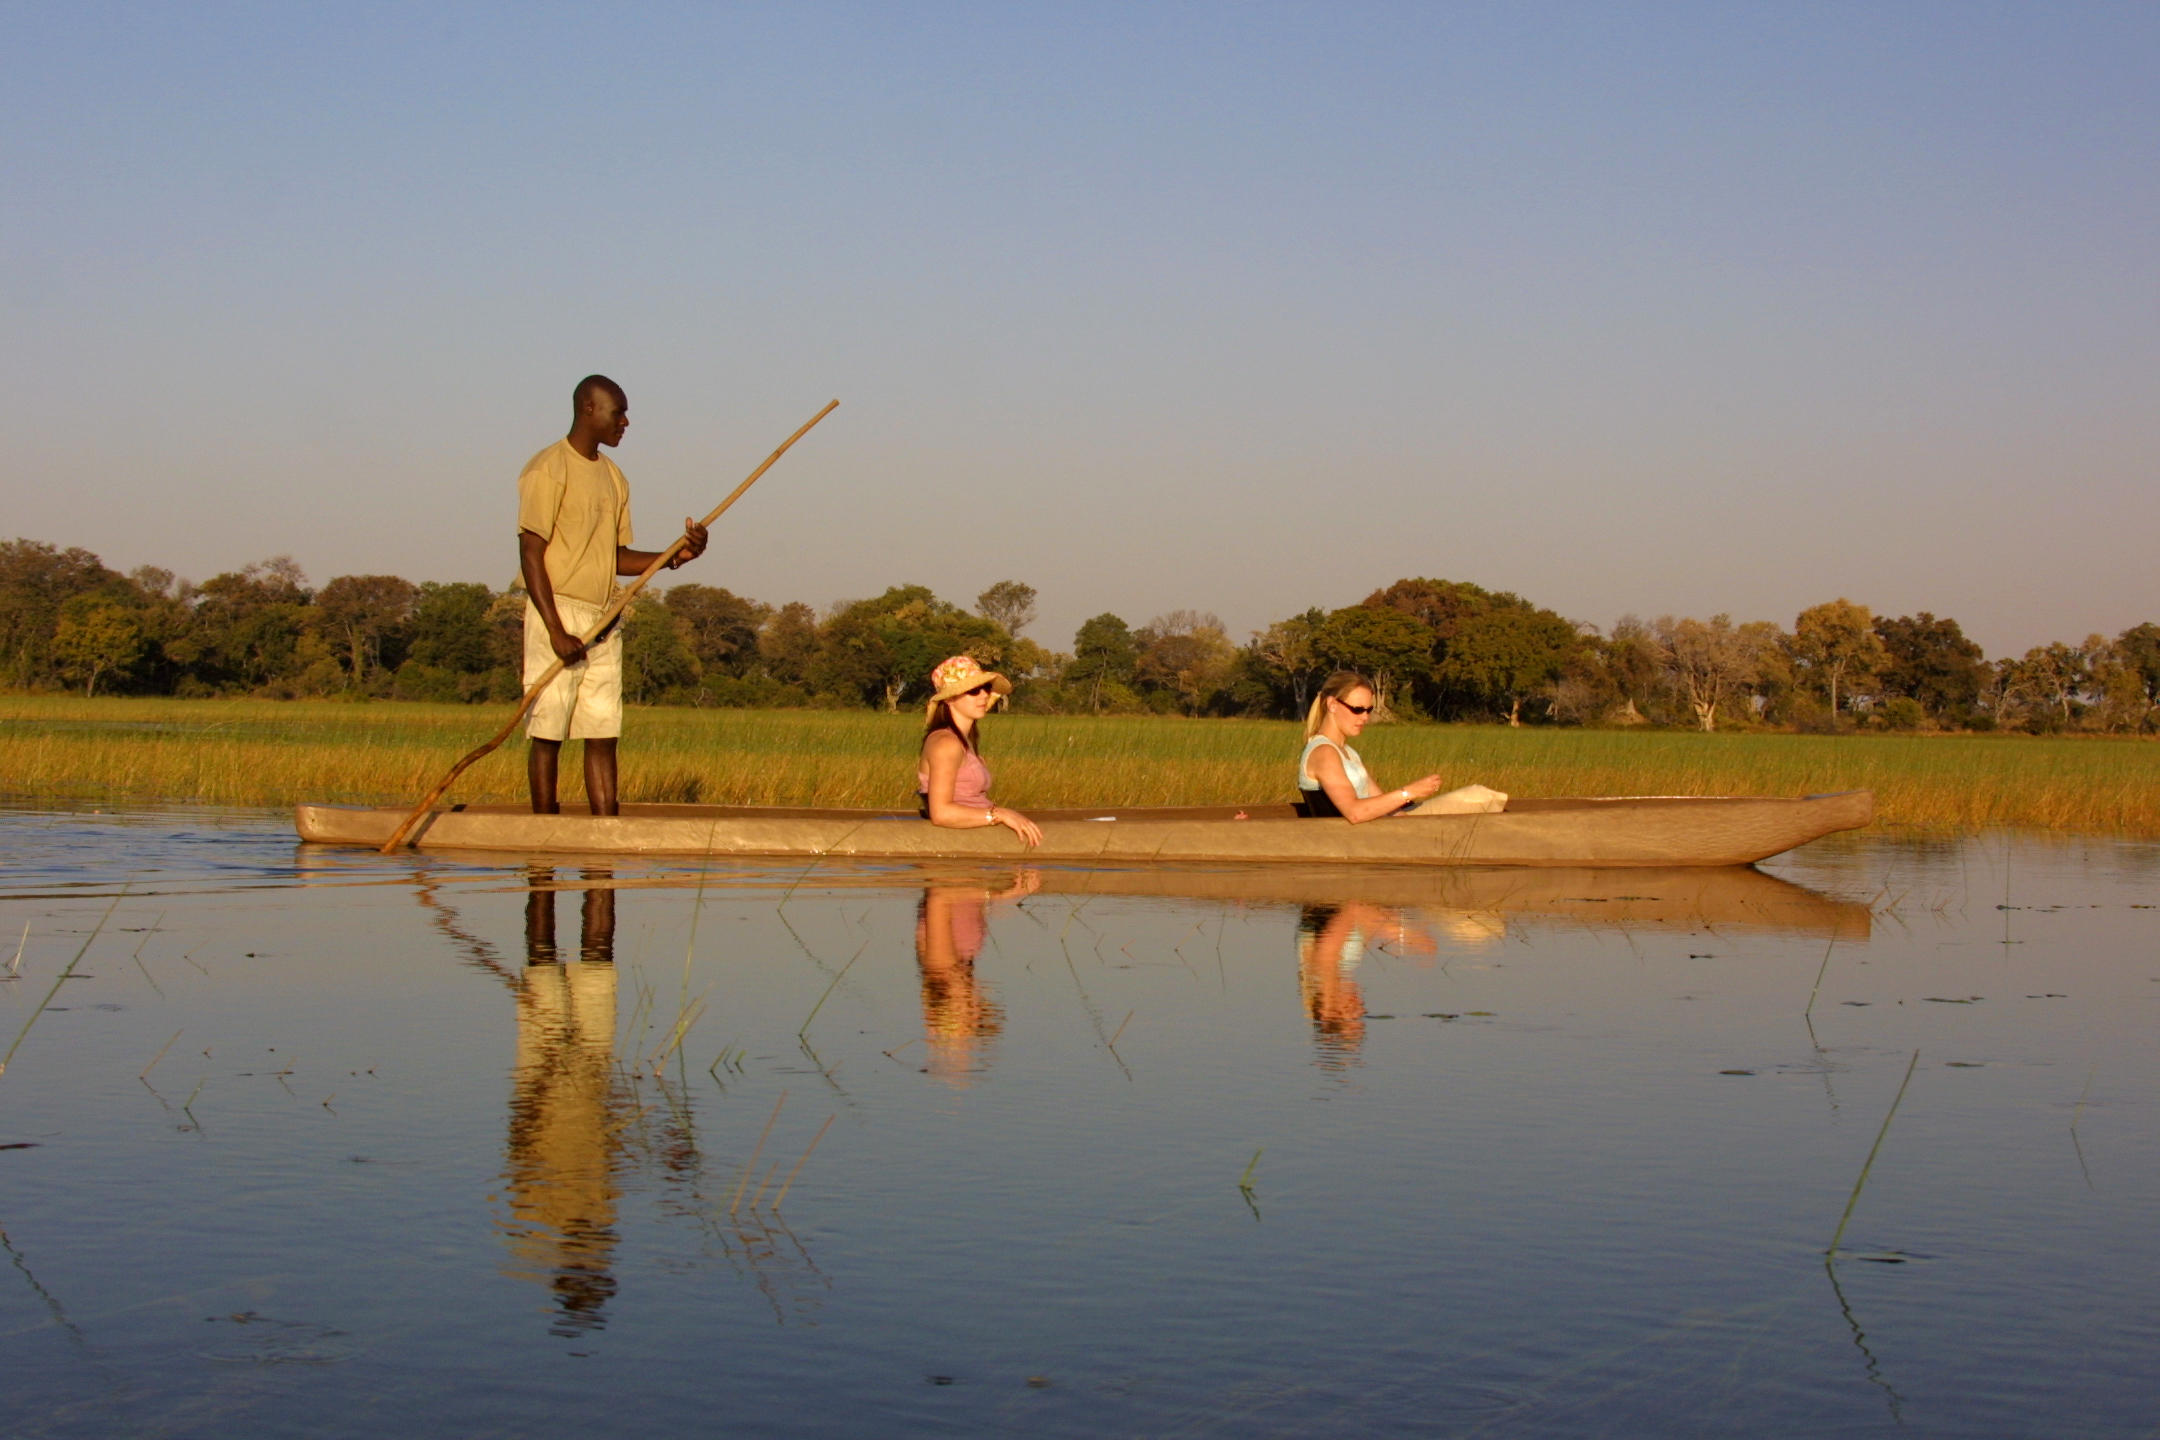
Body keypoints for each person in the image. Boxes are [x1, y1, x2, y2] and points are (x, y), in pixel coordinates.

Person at [517, 375, 708, 815]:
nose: (625, 421)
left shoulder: (614, 477)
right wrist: (556, 631)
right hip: (558, 611)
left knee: (602, 733)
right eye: (617, 412)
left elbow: (616, 556)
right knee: (548, 733)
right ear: (589, 408)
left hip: (605, 615)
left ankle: (605, 836)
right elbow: (531, 553)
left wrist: (676, 555)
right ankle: (545, 835)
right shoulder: (548, 468)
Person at [1297, 670, 1507, 822]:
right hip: (1360, 838)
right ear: (1332, 704)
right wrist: (1409, 792)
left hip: (1382, 829)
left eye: (1368, 710)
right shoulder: (1324, 753)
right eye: (1357, 709)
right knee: (1480, 797)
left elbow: (1380, 802)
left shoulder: (1348, 753)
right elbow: (1355, 812)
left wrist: (1406, 819)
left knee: (1480, 797)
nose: (1365, 717)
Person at [918, 655, 1043, 848]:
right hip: (958, 852)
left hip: (977, 835)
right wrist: (999, 814)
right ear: (950, 698)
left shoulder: (964, 740)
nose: (984, 695)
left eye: (986, 688)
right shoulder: (945, 743)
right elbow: (941, 813)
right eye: (974, 690)